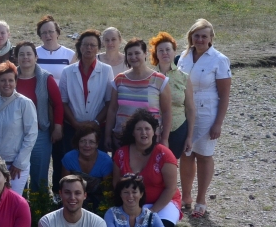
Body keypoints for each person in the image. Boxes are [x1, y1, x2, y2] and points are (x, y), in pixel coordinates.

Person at [177, 19, 231, 219]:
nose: (200, 39)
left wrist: (218, 122)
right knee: (186, 154)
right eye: (196, 35)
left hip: (207, 113)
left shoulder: (219, 59)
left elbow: (224, 95)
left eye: (204, 36)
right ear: (191, 36)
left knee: (204, 155)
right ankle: (186, 197)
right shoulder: (183, 57)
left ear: (211, 38)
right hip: (183, 112)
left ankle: (201, 199)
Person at [112, 110, 182, 227]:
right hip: (132, 203)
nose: (143, 133)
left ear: (154, 131)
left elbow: (171, 188)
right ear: (133, 132)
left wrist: (152, 211)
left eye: (147, 129)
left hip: (163, 203)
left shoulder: (164, 154)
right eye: (139, 129)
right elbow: (116, 183)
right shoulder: (121, 153)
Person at [59, 29, 114, 168]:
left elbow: (109, 102)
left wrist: (95, 122)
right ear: (80, 47)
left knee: (97, 165)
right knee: (72, 164)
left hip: (97, 127)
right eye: (85, 44)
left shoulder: (107, 70)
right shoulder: (67, 71)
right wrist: (75, 123)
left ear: (98, 48)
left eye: (93, 45)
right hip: (72, 128)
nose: (89, 48)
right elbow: (63, 102)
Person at [105, 39, 172, 152]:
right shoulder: (119, 79)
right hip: (122, 137)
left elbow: (167, 112)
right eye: (129, 54)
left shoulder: (159, 80)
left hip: (149, 138)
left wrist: (165, 139)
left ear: (145, 54)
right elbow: (112, 110)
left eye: (137, 53)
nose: (133, 57)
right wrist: (107, 135)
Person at [14, 41, 62, 193]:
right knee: (17, 174)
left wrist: (57, 127)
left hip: (40, 133)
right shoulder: (9, 77)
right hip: (15, 133)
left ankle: (39, 208)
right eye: (21, 54)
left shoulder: (46, 78)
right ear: (16, 58)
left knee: (39, 174)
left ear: (36, 57)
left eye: (29, 54)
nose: (25, 57)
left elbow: (58, 104)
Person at [0, 61, 37, 195]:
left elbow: (31, 134)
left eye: (10, 80)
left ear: (15, 82)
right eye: (2, 80)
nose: (7, 84)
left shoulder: (25, 103)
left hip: (15, 165)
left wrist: (19, 162)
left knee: (12, 203)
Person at [150, 32, 196, 162]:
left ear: (174, 52)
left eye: (168, 50)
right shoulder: (149, 77)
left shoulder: (183, 77)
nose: (165, 53)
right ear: (156, 54)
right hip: (152, 130)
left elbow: (190, 109)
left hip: (178, 127)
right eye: (161, 50)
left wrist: (189, 137)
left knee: (170, 164)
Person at [61, 123, 115, 212]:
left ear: (97, 144)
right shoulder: (68, 158)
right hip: (74, 199)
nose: (87, 145)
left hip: (99, 202)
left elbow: (107, 191)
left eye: (91, 142)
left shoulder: (106, 161)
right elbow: (64, 187)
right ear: (78, 143)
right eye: (83, 141)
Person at [35, 15, 75, 82]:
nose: (47, 35)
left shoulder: (70, 55)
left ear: (57, 33)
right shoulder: (34, 53)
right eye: (44, 33)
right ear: (40, 36)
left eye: (50, 31)